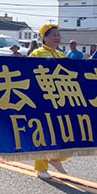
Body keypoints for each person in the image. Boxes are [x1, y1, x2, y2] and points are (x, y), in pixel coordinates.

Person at [28, 24, 68, 179]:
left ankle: (56, 158)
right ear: (44, 37)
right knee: (44, 133)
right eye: (53, 35)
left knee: (64, 130)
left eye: (58, 35)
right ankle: (41, 167)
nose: (57, 38)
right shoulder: (37, 53)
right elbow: (29, 74)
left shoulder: (62, 55)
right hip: (43, 99)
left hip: (61, 98)